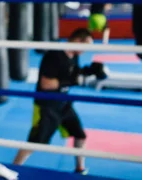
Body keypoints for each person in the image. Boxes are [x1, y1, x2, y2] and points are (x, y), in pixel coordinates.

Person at [13, 28, 109, 175]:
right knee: (35, 143)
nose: (87, 50)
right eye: (87, 45)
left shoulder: (73, 55)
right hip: (47, 106)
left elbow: (72, 74)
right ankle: (13, 168)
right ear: (78, 41)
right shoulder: (54, 55)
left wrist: (89, 71)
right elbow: (46, 84)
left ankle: (80, 169)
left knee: (80, 135)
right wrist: (73, 80)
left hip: (64, 103)